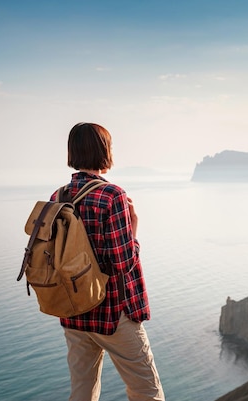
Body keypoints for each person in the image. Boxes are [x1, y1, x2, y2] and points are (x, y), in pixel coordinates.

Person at [52, 122, 165, 401]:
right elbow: (122, 262)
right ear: (105, 151)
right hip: (113, 313)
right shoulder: (112, 196)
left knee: (82, 391)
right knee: (147, 392)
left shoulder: (59, 196)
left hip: (73, 311)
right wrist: (134, 227)